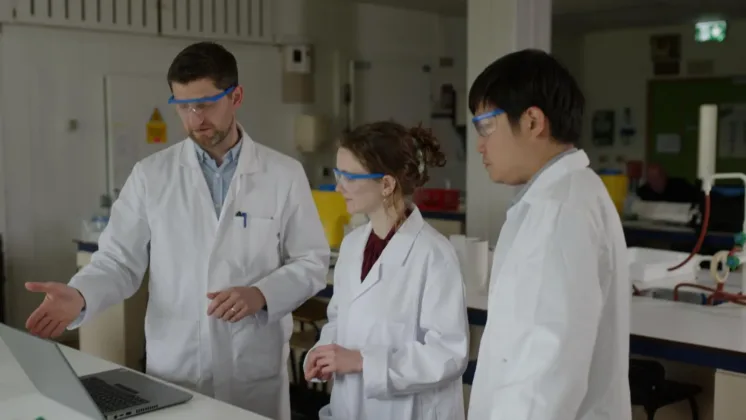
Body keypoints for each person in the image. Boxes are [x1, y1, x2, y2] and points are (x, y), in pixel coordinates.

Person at [24, 41, 330, 420]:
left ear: (236, 96)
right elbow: (119, 260)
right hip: (178, 367)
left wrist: (261, 294)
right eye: (183, 106)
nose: (195, 117)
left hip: (252, 367)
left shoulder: (283, 174)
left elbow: (311, 261)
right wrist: (80, 295)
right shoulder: (151, 175)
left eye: (205, 103)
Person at [466, 49, 631, 420]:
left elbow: (545, 376)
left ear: (532, 121)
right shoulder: (561, 198)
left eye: (486, 126)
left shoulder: (560, 211)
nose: (479, 144)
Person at [303, 121, 469, 419]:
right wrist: (324, 350)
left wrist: (364, 362)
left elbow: (448, 354)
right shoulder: (353, 245)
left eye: (349, 177)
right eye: (338, 174)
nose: (339, 187)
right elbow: (340, 319)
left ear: (387, 184)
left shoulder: (434, 254)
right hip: (351, 404)